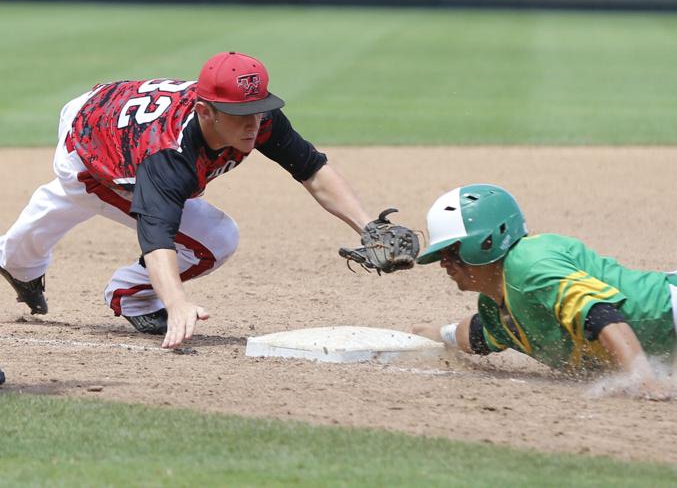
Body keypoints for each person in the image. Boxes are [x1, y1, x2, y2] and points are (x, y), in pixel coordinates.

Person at [0, 52, 378, 349]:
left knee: (67, 201)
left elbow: (311, 169)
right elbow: (156, 232)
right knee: (213, 238)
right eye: (240, 114)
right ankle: (129, 295)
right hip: (90, 149)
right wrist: (176, 301)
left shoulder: (256, 117)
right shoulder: (167, 156)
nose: (253, 123)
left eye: (258, 108)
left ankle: (15, 260)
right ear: (205, 111)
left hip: (111, 109)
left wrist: (370, 227)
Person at [412, 184, 676, 400]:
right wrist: (436, 335)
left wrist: (640, 376)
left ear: (486, 241)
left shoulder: (529, 262)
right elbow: (477, 333)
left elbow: (599, 313)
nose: (444, 263)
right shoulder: (497, 305)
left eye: (450, 252)